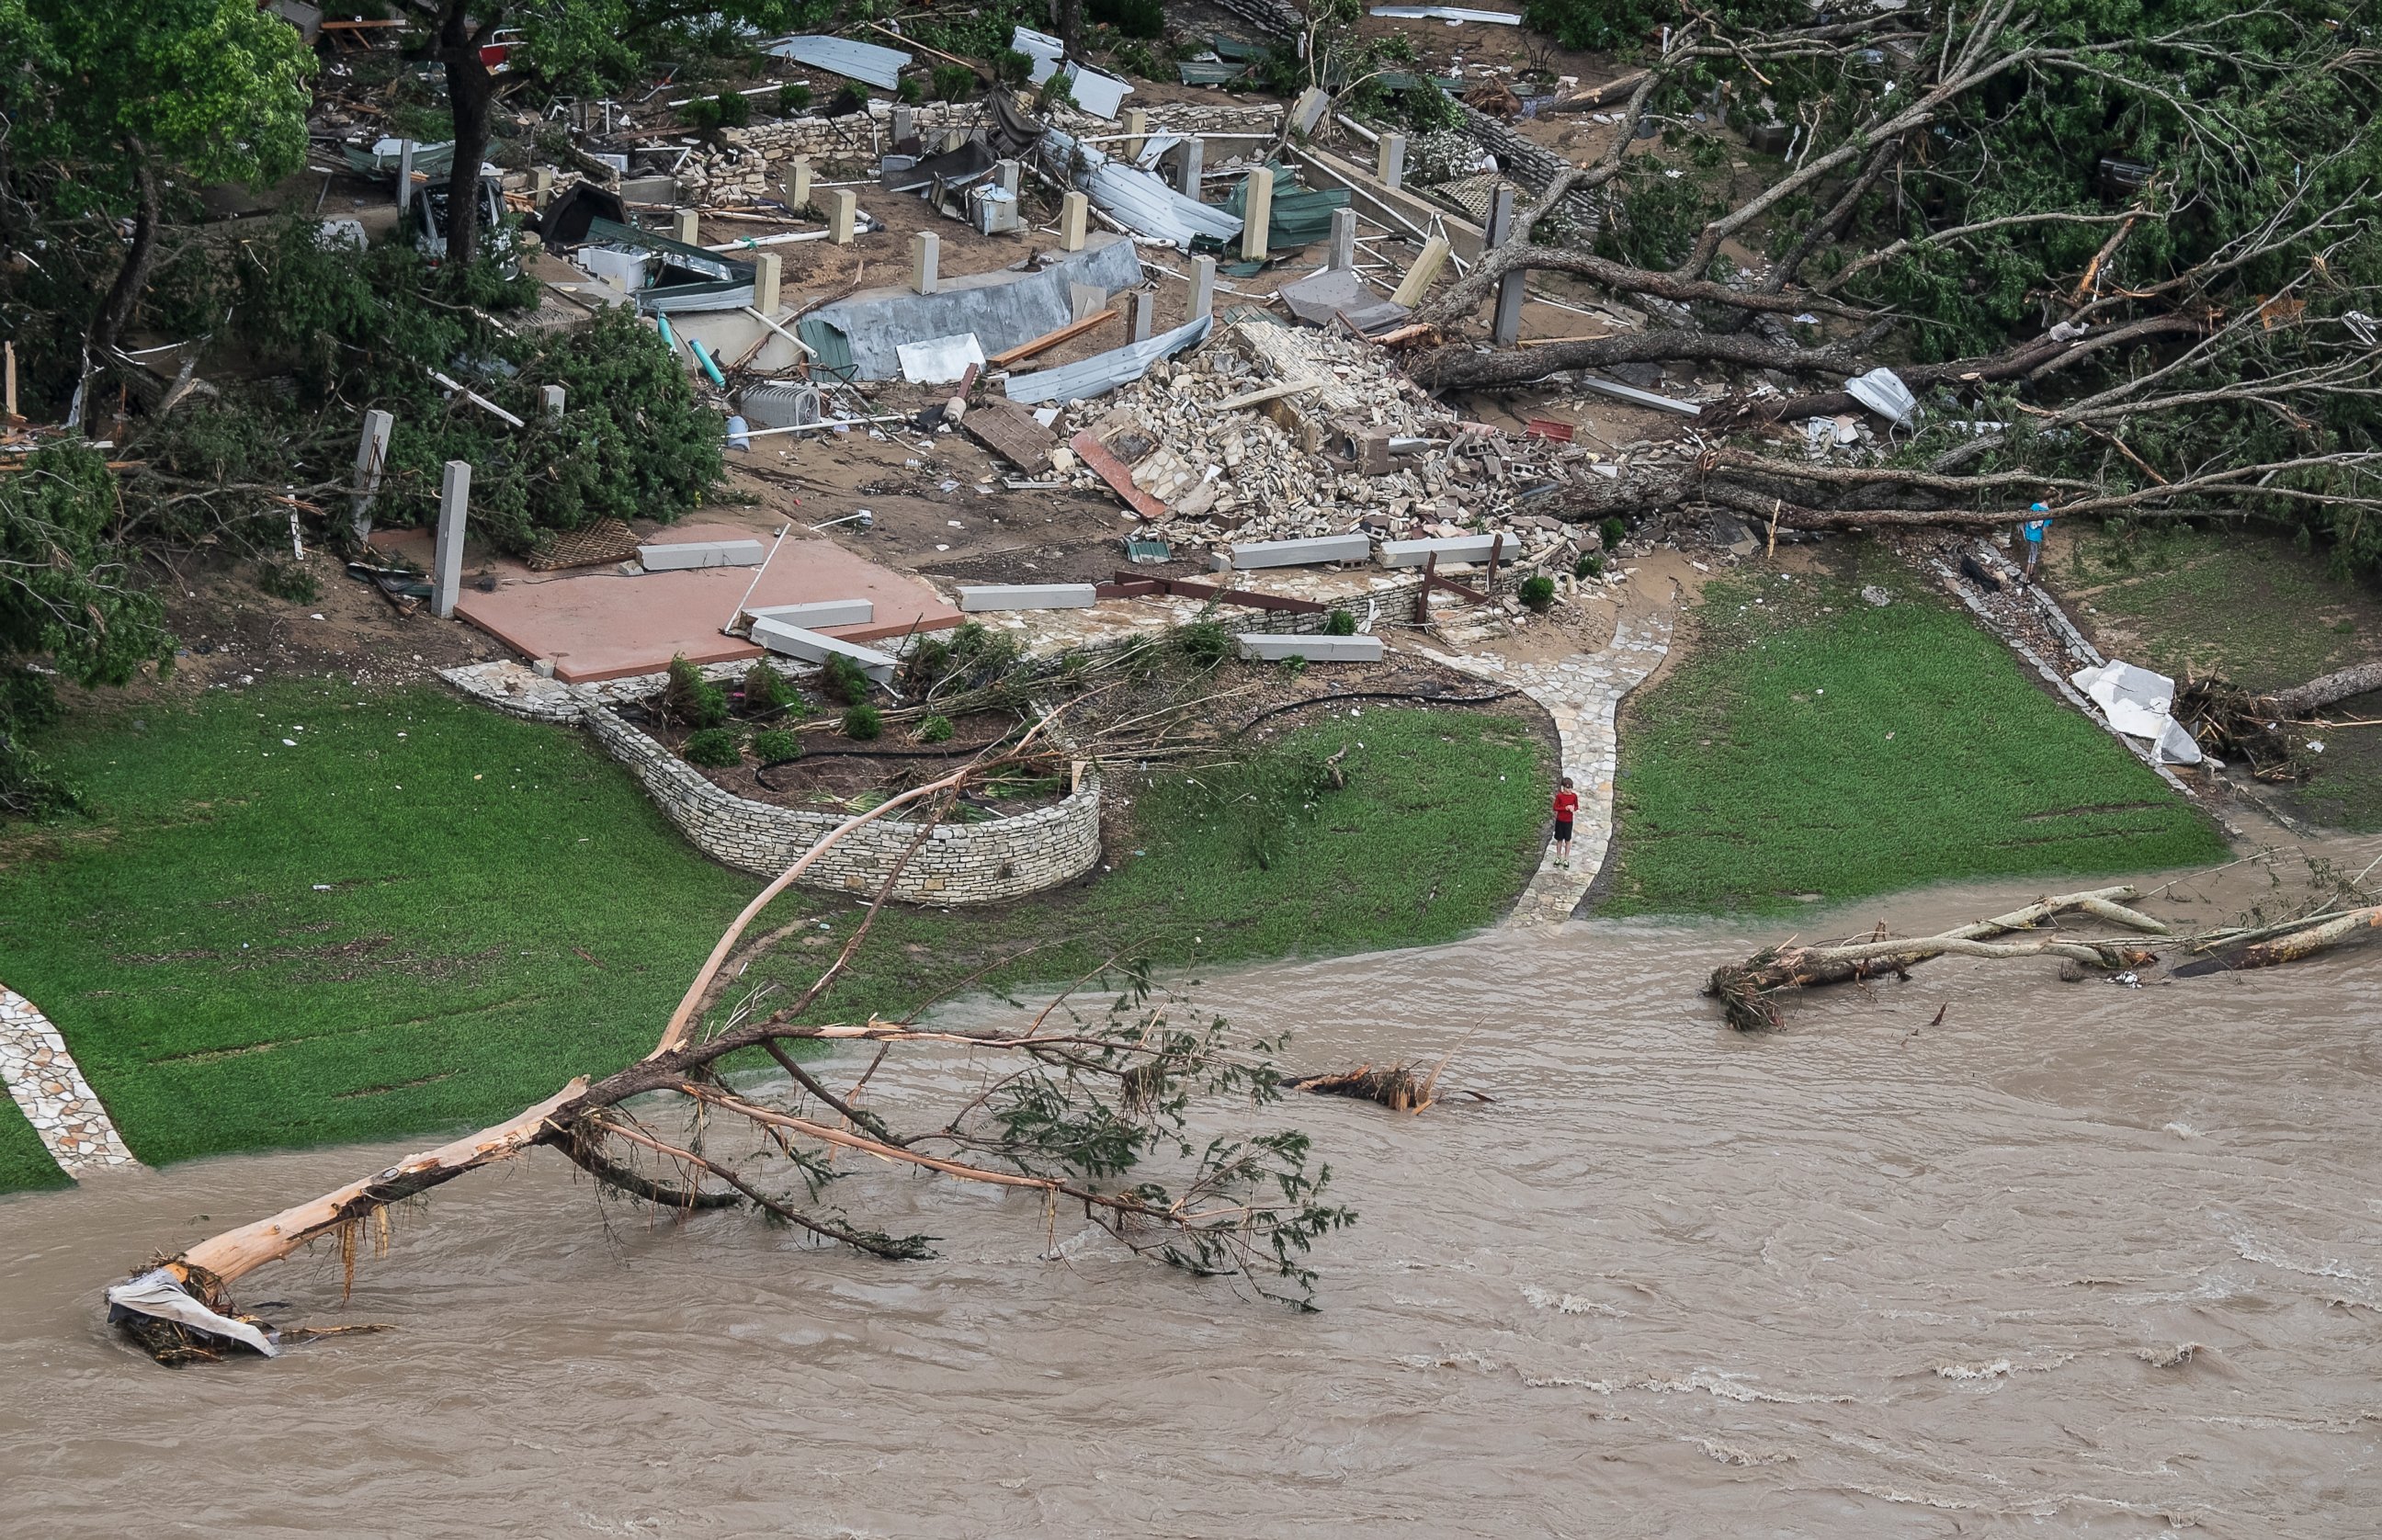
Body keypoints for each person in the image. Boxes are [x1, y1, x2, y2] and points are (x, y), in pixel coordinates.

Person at [2020, 501, 2053, 580]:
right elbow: (2044, 529)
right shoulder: (2049, 512)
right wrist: (2047, 540)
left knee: (2032, 555)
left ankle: (2030, 574)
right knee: (2032, 558)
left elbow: (2027, 518)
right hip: (2035, 537)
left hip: (2028, 534)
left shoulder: (2034, 506)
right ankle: (2027, 578)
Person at [1551, 776, 1580, 868]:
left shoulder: (1574, 796)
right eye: (1567, 787)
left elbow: (1576, 807)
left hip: (1568, 821)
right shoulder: (1559, 796)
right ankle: (1558, 856)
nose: (1569, 789)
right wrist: (1565, 808)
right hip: (1560, 820)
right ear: (1563, 787)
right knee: (1559, 839)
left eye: (1571, 787)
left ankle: (1566, 858)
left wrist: (1573, 809)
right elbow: (1555, 807)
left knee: (1567, 840)